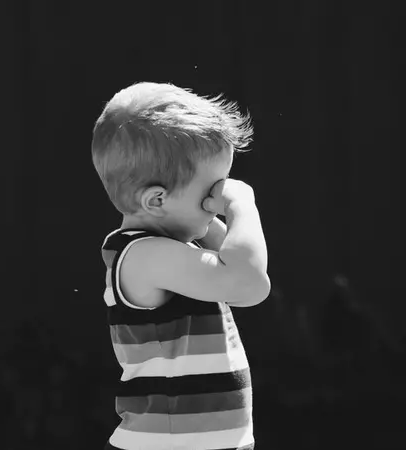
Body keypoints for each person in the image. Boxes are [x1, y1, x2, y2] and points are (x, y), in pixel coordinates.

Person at [91, 81, 270, 450]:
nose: (217, 200)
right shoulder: (143, 256)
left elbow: (253, 285)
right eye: (210, 191)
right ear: (157, 199)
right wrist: (243, 204)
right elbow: (246, 282)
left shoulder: (179, 245)